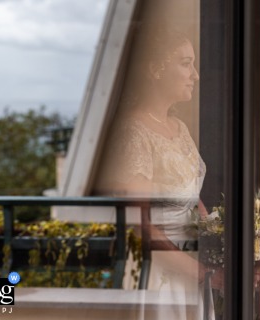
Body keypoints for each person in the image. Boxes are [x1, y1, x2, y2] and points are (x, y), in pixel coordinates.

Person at [94, 25, 219, 319]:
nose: (195, 75)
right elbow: (138, 225)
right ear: (155, 69)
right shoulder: (133, 132)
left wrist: (214, 231)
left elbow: (188, 191)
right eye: (185, 63)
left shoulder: (179, 128)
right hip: (160, 270)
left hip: (192, 260)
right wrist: (200, 272)